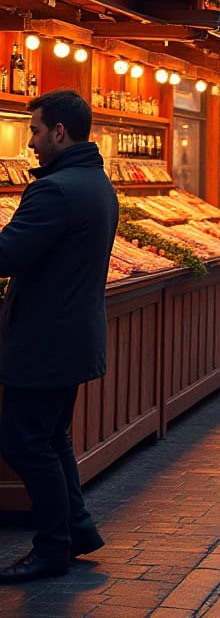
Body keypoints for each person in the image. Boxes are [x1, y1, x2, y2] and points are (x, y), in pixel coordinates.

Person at [0, 91, 118, 584]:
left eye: (35, 130)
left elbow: (7, 255)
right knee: (50, 438)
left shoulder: (55, 190)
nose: (31, 142)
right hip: (71, 334)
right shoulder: (97, 182)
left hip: (45, 339)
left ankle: (52, 547)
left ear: (59, 132)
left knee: (23, 441)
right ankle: (77, 530)